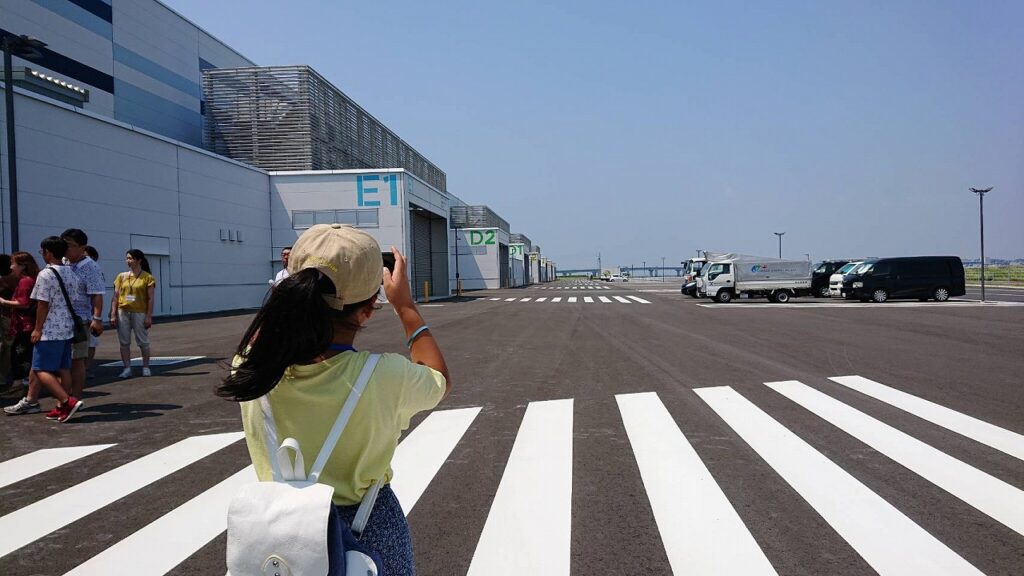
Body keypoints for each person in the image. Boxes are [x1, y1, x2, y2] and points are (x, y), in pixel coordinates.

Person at [218, 224, 451, 575]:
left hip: (278, 533)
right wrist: (405, 306)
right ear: (369, 308)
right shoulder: (383, 376)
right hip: (367, 532)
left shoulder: (251, 369)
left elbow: (263, 337)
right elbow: (439, 379)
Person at [5, 238, 84, 422]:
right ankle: (61, 406)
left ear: (48, 252)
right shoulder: (71, 273)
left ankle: (66, 401)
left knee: (40, 368)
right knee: (64, 368)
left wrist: (37, 329)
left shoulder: (46, 274)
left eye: (42, 251)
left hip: (50, 328)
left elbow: (42, 304)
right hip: (67, 327)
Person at [61, 229, 104, 397]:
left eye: (70, 246)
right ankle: (64, 397)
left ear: (82, 247)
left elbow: (97, 294)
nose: (66, 249)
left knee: (77, 361)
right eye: (64, 245)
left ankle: (75, 398)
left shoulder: (90, 267)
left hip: (79, 320)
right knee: (61, 361)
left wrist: (97, 319)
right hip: (60, 319)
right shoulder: (62, 262)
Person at [110, 249, 155, 378]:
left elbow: (150, 298)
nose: (128, 261)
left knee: (143, 341)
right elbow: (116, 296)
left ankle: (146, 367)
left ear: (139, 260)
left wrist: (148, 316)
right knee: (124, 341)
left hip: (139, 312)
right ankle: (127, 368)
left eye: (131, 258)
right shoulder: (121, 276)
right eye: (127, 258)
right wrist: (113, 313)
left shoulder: (147, 277)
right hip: (123, 311)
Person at [0, 252, 38, 403]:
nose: (11, 266)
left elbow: (23, 303)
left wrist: (3, 301)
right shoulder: (25, 280)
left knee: (19, 354)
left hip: (23, 323)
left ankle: (22, 387)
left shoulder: (24, 281)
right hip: (21, 322)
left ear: (23, 266)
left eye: (14, 263)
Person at [84, 246, 103, 379]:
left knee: (91, 343)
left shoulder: (94, 271)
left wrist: (97, 317)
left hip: (89, 314)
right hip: (77, 315)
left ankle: (87, 368)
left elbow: (97, 294)